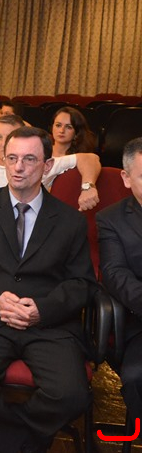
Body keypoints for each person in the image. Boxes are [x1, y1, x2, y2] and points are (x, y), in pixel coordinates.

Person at [0, 126, 96, 453]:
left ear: (46, 165)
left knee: (72, 395)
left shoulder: (70, 220)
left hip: (48, 325)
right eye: (11, 158)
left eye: (29, 159)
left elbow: (82, 283)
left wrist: (43, 309)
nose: (18, 167)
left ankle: (11, 442)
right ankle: (22, 444)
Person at [0, 114, 102, 238]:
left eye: (10, 137)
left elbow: (89, 158)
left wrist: (88, 186)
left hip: (16, 241)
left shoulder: (37, 166)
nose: (4, 143)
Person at [97, 137, 142, 422]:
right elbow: (115, 274)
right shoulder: (111, 219)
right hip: (139, 320)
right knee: (137, 377)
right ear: (126, 178)